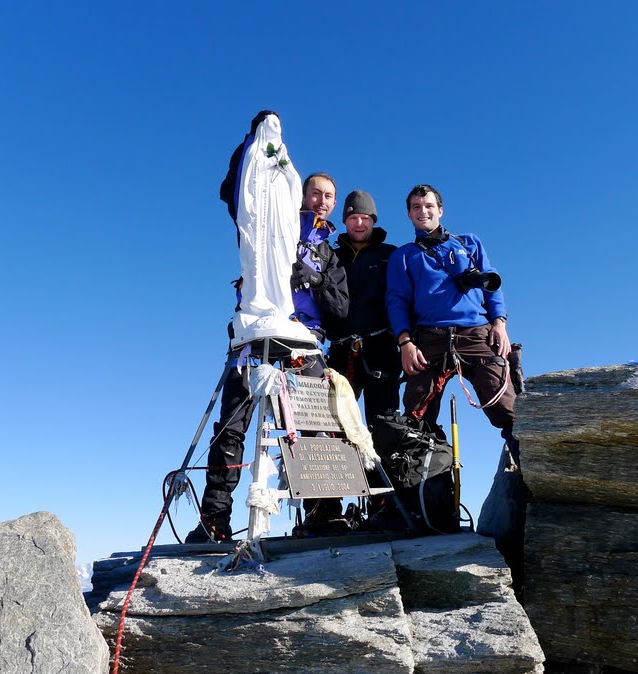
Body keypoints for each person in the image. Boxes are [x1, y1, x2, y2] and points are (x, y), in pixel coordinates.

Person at [185, 169, 348, 543]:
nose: (321, 201)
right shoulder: (271, 226)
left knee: (317, 425)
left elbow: (340, 310)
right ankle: (214, 519)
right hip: (255, 334)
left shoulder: (329, 255)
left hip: (303, 341)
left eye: (328, 196)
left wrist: (317, 280)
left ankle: (324, 513)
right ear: (301, 195)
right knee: (231, 425)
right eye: (315, 193)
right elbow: (238, 199)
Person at [385, 184, 518, 457]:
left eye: (429, 206)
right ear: (409, 214)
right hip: (429, 338)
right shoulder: (404, 256)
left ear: (441, 210)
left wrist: (499, 323)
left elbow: (491, 284)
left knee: (507, 407)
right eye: (416, 207)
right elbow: (397, 301)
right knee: (416, 417)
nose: (423, 211)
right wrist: (405, 343)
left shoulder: (469, 243)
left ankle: (528, 470)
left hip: (476, 333)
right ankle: (427, 479)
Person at [325, 190, 401, 426]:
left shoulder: (390, 255)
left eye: (365, 218)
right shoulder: (332, 257)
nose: (359, 223)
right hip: (341, 350)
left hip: (382, 349)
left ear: (373, 220)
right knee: (334, 424)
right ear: (345, 221)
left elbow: (404, 298)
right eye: (353, 217)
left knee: (384, 426)